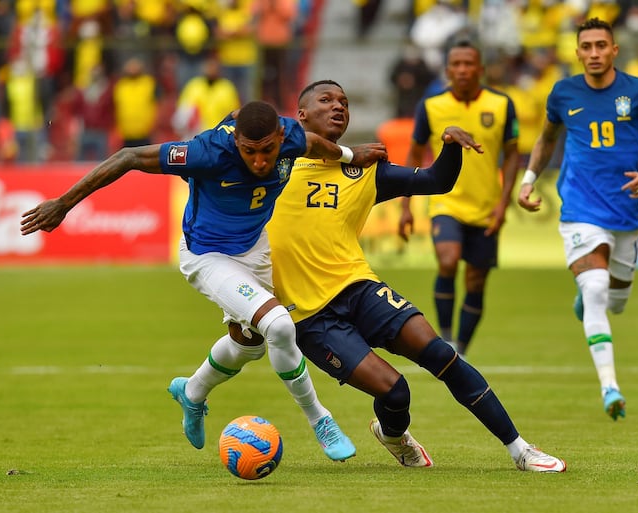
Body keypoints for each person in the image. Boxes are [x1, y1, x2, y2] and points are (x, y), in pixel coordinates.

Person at [19, 100, 388, 460]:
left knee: (251, 344)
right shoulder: (206, 153)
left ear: (280, 136)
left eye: (268, 151)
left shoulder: (292, 135)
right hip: (207, 256)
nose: (260, 161)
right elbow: (128, 157)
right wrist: (64, 203)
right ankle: (320, 420)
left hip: (255, 249)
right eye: (249, 152)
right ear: (236, 143)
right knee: (278, 325)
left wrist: (351, 155)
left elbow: (316, 145)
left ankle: (192, 393)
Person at [267, 79, 566, 473]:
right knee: (395, 391)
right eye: (326, 100)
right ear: (300, 115)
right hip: (309, 316)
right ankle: (394, 436)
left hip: (358, 287)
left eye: (344, 101)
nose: (339, 106)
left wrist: (451, 148)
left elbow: (436, 180)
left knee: (443, 354)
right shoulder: (272, 165)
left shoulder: (366, 169)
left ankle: (521, 450)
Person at [517, 18, 638, 421]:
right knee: (595, 288)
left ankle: (591, 298)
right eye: (586, 46)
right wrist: (528, 180)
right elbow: (546, 139)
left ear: (614, 50)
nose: (593, 53)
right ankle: (610, 386)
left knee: (617, 301)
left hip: (626, 210)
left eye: (600, 46)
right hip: (579, 208)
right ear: (577, 52)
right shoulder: (563, 93)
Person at [398, 39, 521, 357]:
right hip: (446, 202)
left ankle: (461, 350)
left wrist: (503, 203)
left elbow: (511, 155)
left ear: (480, 69)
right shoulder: (431, 106)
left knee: (477, 280)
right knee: (449, 261)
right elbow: (414, 153)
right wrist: (406, 205)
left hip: (485, 206)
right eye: (457, 64)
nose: (463, 70)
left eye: (469, 64)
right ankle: (446, 339)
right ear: (448, 69)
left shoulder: (502, 104)